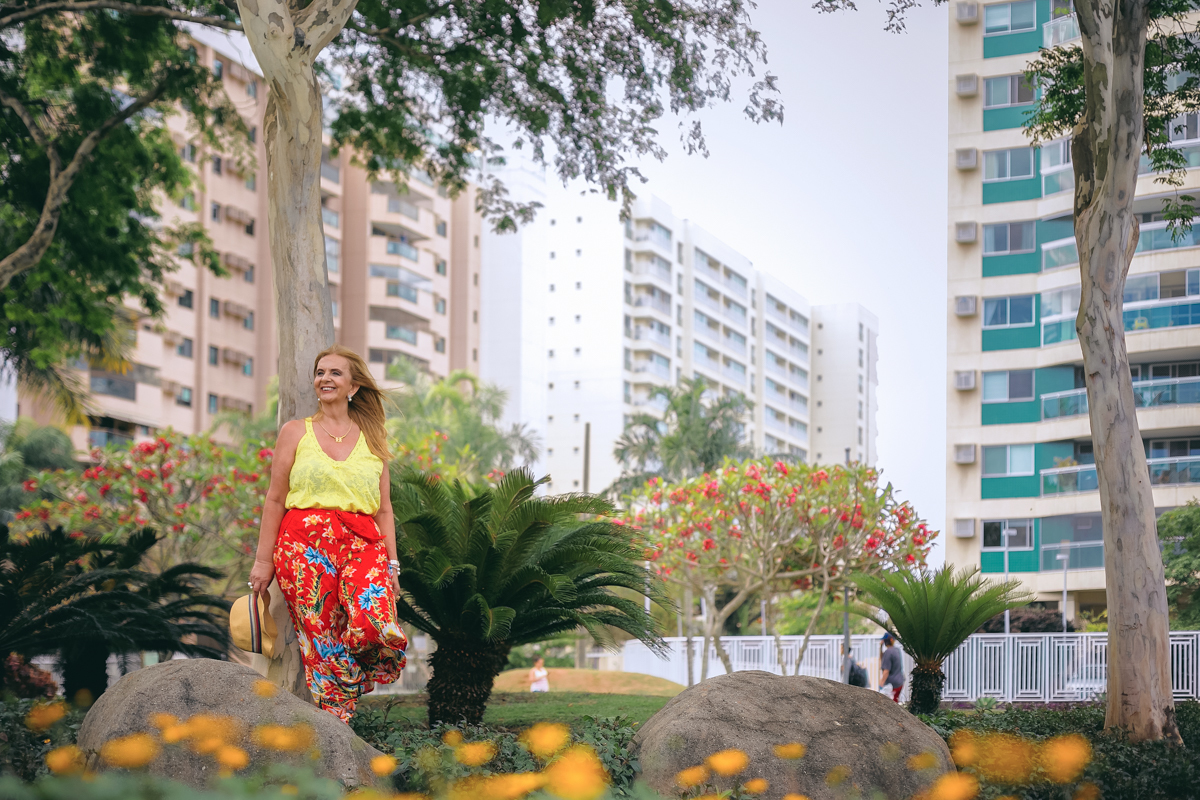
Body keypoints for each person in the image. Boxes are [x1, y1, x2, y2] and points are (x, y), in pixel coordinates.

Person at [247, 344, 408, 723]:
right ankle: (338, 723)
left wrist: (392, 566)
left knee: (375, 622)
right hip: (302, 547)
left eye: (335, 373)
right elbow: (275, 499)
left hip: (362, 542)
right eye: (320, 373)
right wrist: (263, 561)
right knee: (321, 639)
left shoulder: (373, 437)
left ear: (354, 386)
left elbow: (385, 509)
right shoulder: (294, 432)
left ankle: (351, 681)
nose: (325, 378)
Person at [879, 632, 905, 703]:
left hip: (892, 685)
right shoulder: (896, 650)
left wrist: (881, 684)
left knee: (890, 705)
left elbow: (886, 671)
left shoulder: (888, 652)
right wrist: (881, 647)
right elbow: (882, 658)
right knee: (895, 702)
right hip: (899, 682)